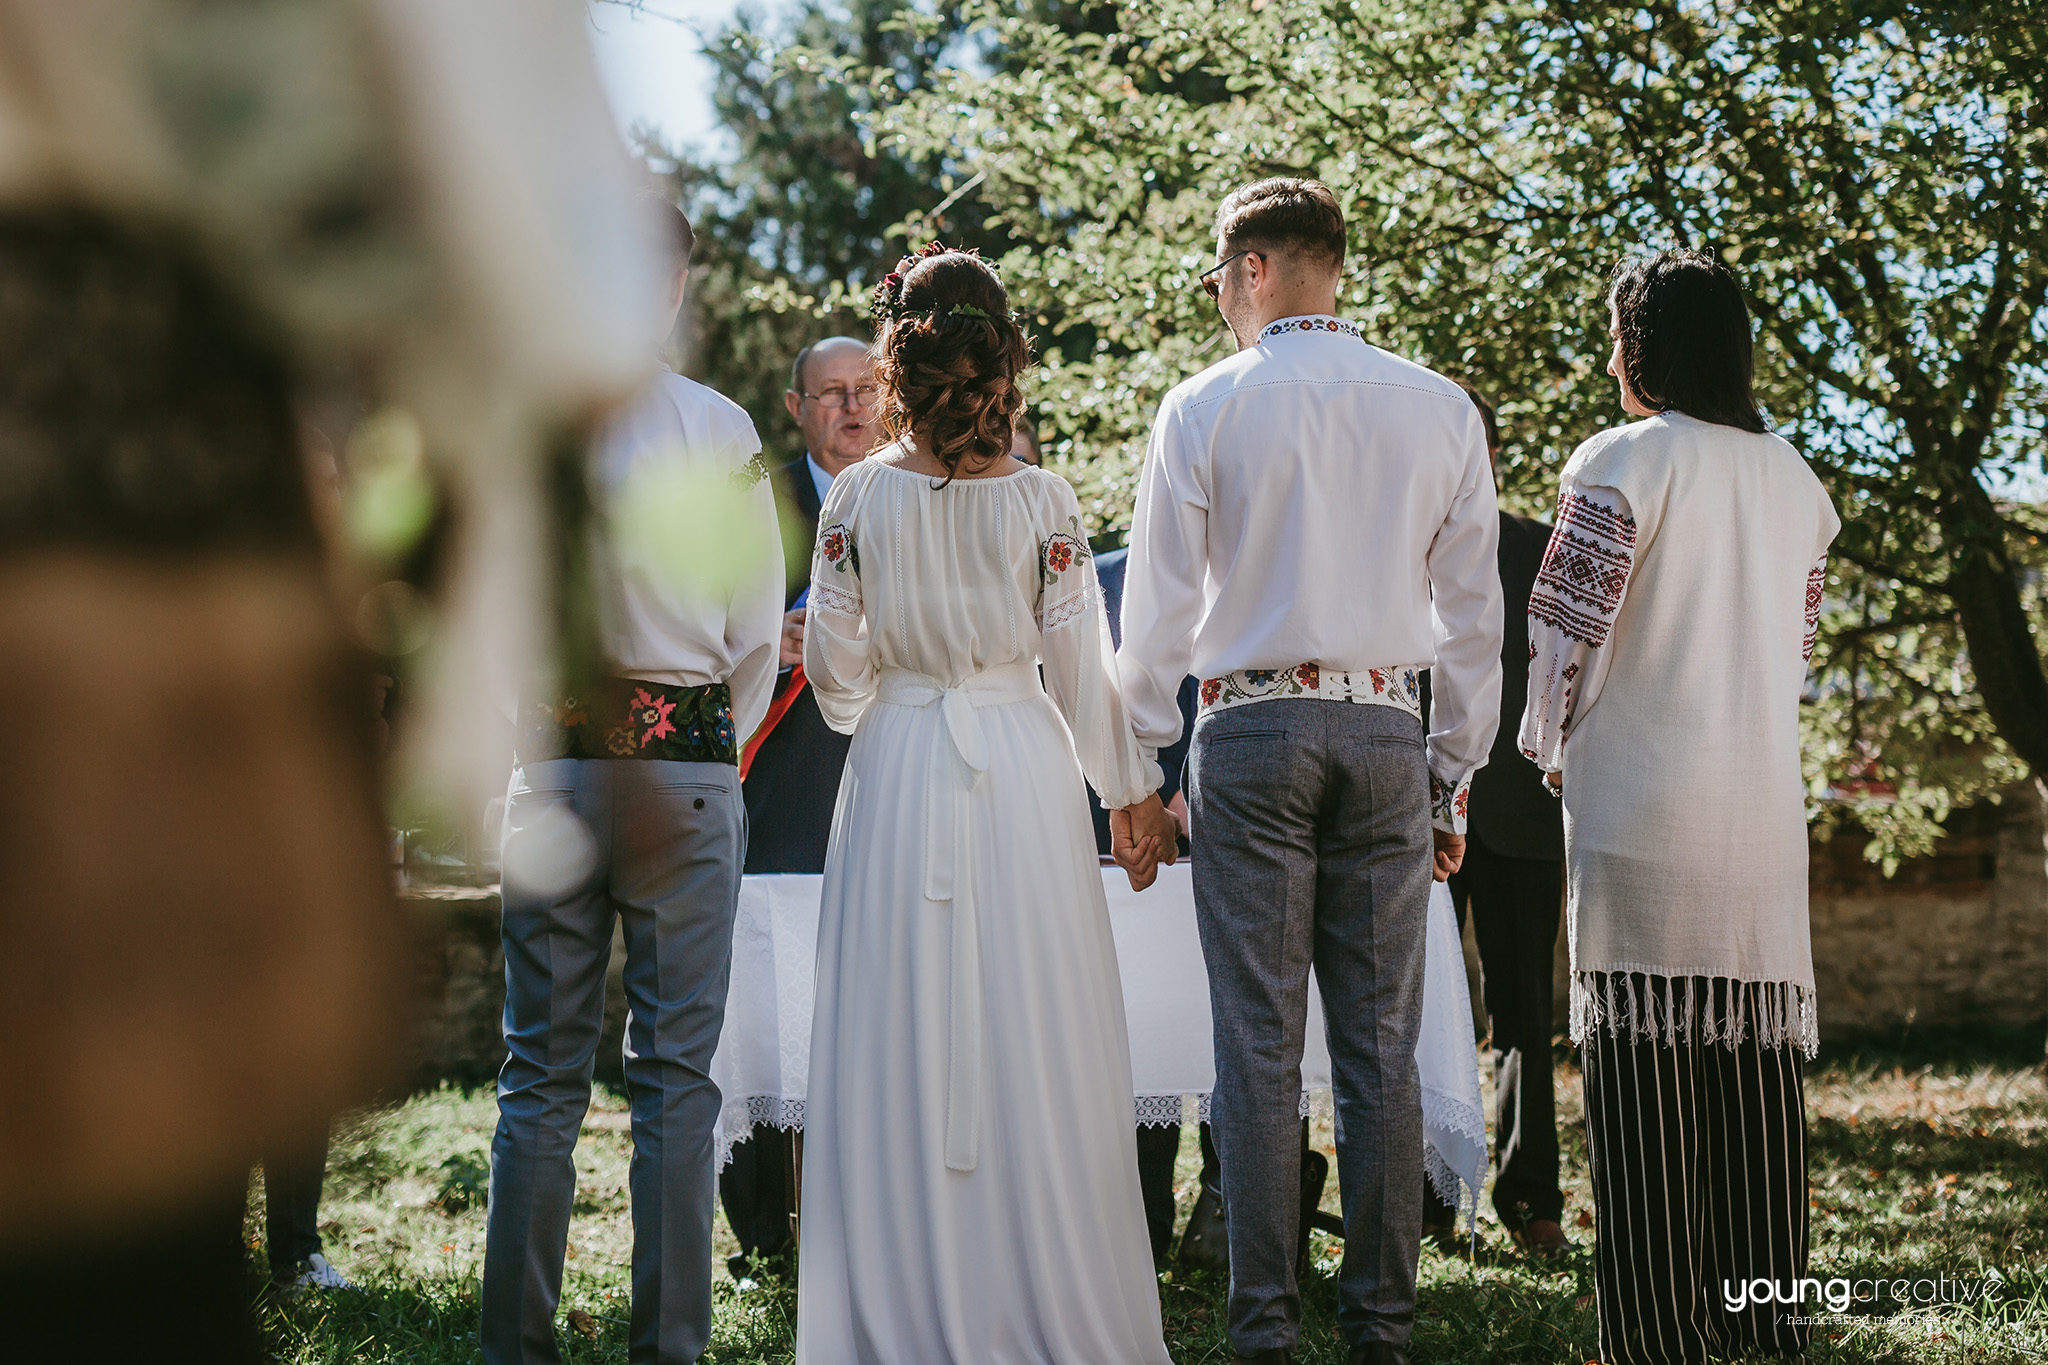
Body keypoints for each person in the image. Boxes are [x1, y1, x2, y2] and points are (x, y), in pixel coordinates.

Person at [1118, 178, 1503, 1365]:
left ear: (1253, 270)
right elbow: (1474, 619)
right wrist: (1452, 775)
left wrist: (1139, 766)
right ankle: (1380, 1332)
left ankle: (1263, 1332)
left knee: (1258, 1041)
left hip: (1249, 730)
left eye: (1218, 283)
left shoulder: (1204, 404)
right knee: (1379, 1046)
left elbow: (1159, 615)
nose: (1219, 306)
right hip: (1386, 731)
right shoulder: (1437, 407)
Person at [793, 243, 1179, 1363]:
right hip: (1016, 766)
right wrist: (1129, 797)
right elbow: (1078, 671)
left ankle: (898, 1304)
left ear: (894, 365)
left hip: (901, 764)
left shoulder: (855, 499)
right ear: (1003, 357)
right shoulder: (1043, 501)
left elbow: (830, 676)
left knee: (894, 1020)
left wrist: (895, 694)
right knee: (1031, 1021)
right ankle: (1037, 1296)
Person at [1520, 249, 1837, 1365]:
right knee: (1755, 1113)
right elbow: (1792, 658)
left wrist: (1546, 746)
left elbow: (1564, 631)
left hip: (1641, 818)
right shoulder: (1797, 481)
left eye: (1618, 335)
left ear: (1642, 346)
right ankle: (1765, 1336)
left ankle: (1656, 1342)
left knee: (1646, 1116)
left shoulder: (1619, 459)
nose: (1610, 356)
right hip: (1755, 824)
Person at [482, 203, 783, 1365]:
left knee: (537, 1077)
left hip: (552, 762)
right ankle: (669, 1348)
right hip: (687, 767)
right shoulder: (718, 429)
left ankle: (514, 1345)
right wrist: (713, 750)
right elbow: (757, 626)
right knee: (672, 1079)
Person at [722, 336, 879, 1278]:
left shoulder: (914, 488)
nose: (852, 407)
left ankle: (852, 1221)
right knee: (761, 1008)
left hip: (881, 781)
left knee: (859, 1015)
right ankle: (763, 1235)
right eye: (830, 394)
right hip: (775, 787)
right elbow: (702, 617)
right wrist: (761, 638)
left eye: (865, 389)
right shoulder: (757, 502)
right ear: (796, 406)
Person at [1419, 383, 1571, 1259]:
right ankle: (1431, 1201)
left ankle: (1532, 1200)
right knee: (1424, 1019)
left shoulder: (1541, 552)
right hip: (1416, 817)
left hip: (1518, 814)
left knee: (1521, 1016)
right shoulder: (1393, 549)